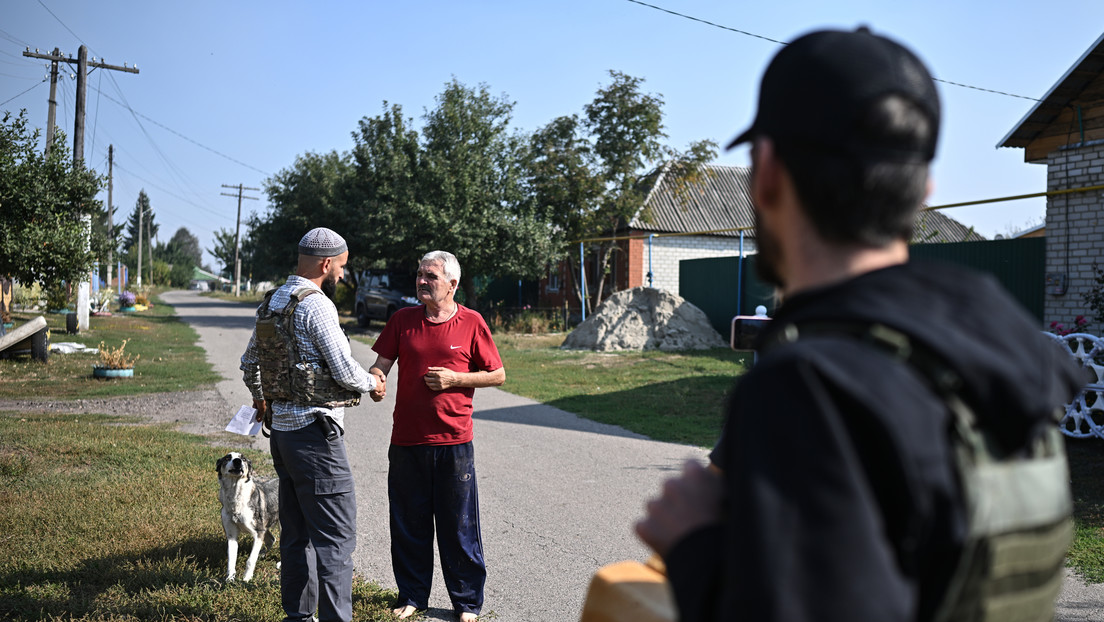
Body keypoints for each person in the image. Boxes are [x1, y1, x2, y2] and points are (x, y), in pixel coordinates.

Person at [634, 28, 1085, 621]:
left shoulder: (813, 386)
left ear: (766, 172)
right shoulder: (1005, 357)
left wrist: (694, 542)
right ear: (924, 189)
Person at [240, 227, 386, 622]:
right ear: (325, 264)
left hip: (282, 436)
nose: (342, 273)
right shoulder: (317, 305)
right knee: (336, 538)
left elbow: (248, 363)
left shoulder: (272, 301)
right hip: (317, 438)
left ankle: (298, 616)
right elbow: (344, 369)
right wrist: (374, 383)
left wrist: (261, 398)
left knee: (296, 533)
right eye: (341, 265)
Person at [368, 250, 505, 622]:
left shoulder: (472, 322)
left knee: (458, 526)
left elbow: (497, 374)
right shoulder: (402, 320)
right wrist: (377, 382)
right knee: (408, 524)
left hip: (454, 443)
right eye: (419, 274)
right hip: (407, 442)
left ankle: (467, 603)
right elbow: (380, 364)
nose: (422, 281)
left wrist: (455, 378)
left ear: (452, 284)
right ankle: (412, 596)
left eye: (430, 276)